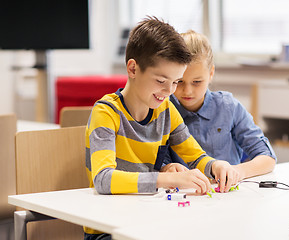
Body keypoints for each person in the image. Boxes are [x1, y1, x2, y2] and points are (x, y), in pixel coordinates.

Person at [84, 17, 238, 239]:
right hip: (108, 229)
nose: (169, 91)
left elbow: (195, 157)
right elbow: (103, 179)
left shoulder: (165, 110)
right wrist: (168, 179)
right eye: (161, 80)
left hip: (148, 221)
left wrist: (215, 166)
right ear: (133, 68)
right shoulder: (106, 113)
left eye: (175, 81)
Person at [166, 30, 276, 182]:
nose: (187, 91)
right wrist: (167, 168)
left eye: (197, 82)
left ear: (211, 73)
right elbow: (158, 162)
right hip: (185, 196)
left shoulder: (228, 107)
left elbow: (267, 157)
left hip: (227, 194)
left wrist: (235, 172)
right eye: (179, 82)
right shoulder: (164, 110)